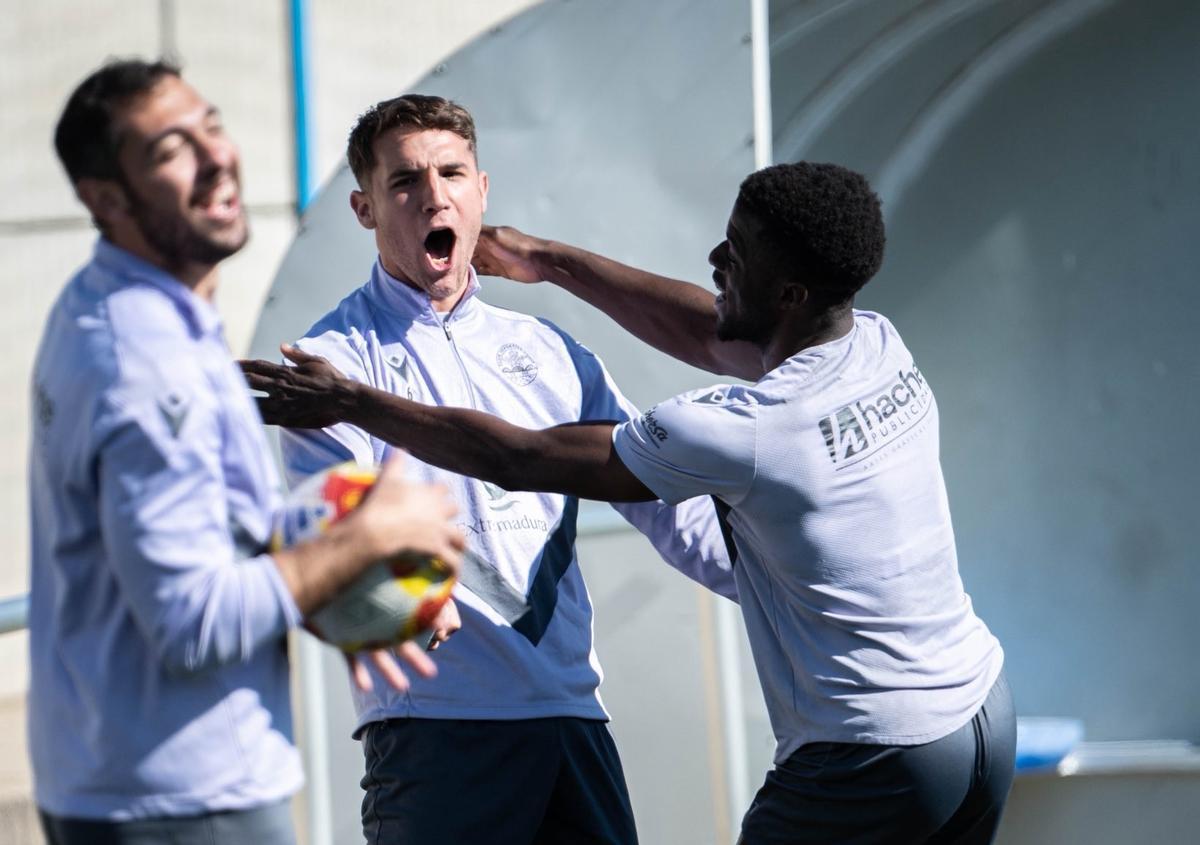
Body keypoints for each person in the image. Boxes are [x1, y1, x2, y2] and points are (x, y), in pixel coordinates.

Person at [244, 161, 1016, 843]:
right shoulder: (877, 344)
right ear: (366, 205)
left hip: (874, 751)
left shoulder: (748, 427)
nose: (716, 259)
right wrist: (548, 260)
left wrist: (349, 401)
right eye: (405, 179)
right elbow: (710, 333)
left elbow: (520, 457)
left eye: (736, 253)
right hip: (981, 717)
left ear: (787, 292)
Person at [244, 94, 736, 845]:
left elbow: (660, 499)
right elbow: (334, 522)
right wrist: (397, 581)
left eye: (451, 172)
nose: (433, 195)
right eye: (404, 181)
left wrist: (775, 579)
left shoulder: (550, 350)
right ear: (364, 207)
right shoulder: (331, 363)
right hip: (438, 735)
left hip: (572, 716)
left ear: (481, 191)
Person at [28, 59, 465, 845]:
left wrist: (336, 569)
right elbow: (191, 622)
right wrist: (363, 540)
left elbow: (208, 530)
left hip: (126, 779)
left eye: (212, 126)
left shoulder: (110, 303)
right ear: (106, 199)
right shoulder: (144, 360)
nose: (215, 157)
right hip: (184, 798)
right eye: (169, 150)